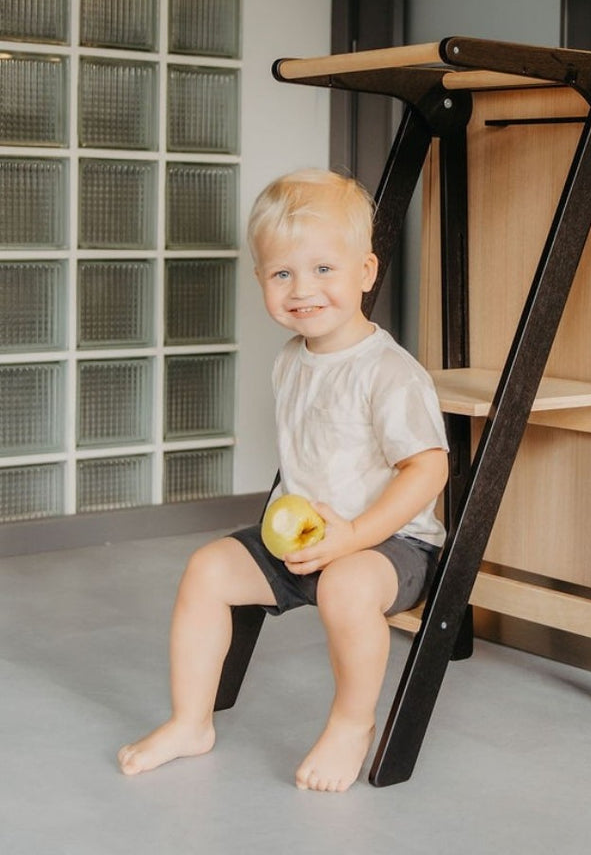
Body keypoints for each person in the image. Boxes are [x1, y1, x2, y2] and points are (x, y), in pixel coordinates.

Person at [118, 169, 449, 792]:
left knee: (346, 589)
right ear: (262, 282)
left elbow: (429, 467)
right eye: (282, 274)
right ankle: (191, 721)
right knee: (206, 570)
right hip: (304, 534)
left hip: (390, 544)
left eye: (324, 269)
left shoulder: (388, 372)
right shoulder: (290, 360)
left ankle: (352, 725)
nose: (303, 290)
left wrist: (354, 536)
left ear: (366, 273)